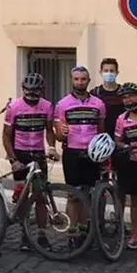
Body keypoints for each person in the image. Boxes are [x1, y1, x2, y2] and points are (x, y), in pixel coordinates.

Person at [2, 73, 58, 252]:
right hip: (21, 154)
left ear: (41, 90)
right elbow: (6, 135)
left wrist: (51, 147)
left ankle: (42, 234)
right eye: (28, 91)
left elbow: (49, 130)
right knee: (23, 197)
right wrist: (13, 159)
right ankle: (24, 234)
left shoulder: (47, 106)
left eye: (35, 91)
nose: (31, 95)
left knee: (41, 195)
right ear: (23, 89)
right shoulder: (14, 107)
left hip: (38, 155)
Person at [54, 66, 105, 248]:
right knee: (73, 195)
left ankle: (84, 230)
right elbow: (59, 135)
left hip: (92, 154)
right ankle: (72, 232)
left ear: (88, 81)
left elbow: (101, 131)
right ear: (72, 80)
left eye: (83, 79)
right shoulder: (62, 104)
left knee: (88, 194)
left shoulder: (98, 104)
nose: (80, 82)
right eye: (76, 79)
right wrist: (60, 131)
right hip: (72, 153)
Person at [114, 83, 137, 249]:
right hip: (134, 164)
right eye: (125, 97)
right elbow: (118, 142)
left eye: (131, 96)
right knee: (136, 200)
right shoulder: (121, 119)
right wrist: (128, 148)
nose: (128, 100)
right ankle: (136, 234)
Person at [90, 58, 124, 137]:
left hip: (121, 136)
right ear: (101, 72)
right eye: (106, 71)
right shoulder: (95, 93)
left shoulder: (123, 92)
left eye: (112, 71)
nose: (109, 73)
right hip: (101, 137)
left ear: (117, 73)